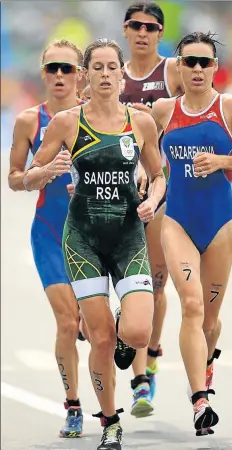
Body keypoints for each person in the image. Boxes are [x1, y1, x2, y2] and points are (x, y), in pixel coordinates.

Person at [23, 38, 166, 450]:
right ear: (86, 75)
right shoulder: (67, 123)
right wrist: (51, 168)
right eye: (97, 68)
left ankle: (123, 326)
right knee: (99, 340)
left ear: (123, 74)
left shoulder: (140, 122)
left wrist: (152, 201)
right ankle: (110, 421)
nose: (105, 75)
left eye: (112, 67)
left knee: (138, 332)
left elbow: (158, 176)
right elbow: (29, 176)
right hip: (82, 239)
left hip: (126, 236)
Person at [151, 31, 232, 435]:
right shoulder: (164, 111)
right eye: (190, 62)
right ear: (179, 67)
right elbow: (139, 155)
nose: (198, 69)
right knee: (190, 305)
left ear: (215, 68)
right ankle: (199, 400)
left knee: (210, 320)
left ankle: (206, 362)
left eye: (205, 62)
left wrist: (223, 160)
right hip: (178, 221)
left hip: (220, 223)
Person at [8, 39, 87, 438]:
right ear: (43, 73)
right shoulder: (28, 121)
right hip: (51, 232)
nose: (59, 75)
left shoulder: (99, 117)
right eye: (52, 68)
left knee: (99, 327)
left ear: (81, 75)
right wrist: (42, 173)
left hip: (94, 235)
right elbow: (14, 180)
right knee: (67, 319)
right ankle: (73, 404)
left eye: (67, 69)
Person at [119, 1, 184, 418]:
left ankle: (148, 366)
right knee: (129, 279)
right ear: (126, 30)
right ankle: (141, 371)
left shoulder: (174, 71)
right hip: (116, 189)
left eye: (151, 27)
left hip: (162, 184)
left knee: (155, 282)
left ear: (160, 33)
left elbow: (197, 108)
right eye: (136, 25)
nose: (143, 32)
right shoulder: (110, 73)